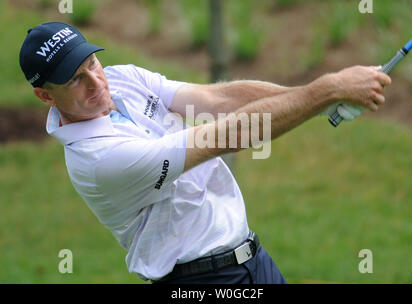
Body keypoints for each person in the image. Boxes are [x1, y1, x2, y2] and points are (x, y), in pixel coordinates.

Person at [19, 22, 391, 284]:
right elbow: (225, 135)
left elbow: (216, 99)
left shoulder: (121, 78)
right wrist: (325, 90)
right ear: (46, 96)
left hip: (251, 259)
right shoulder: (100, 160)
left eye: (92, 64)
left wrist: (316, 99)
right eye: (75, 80)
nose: (97, 82)